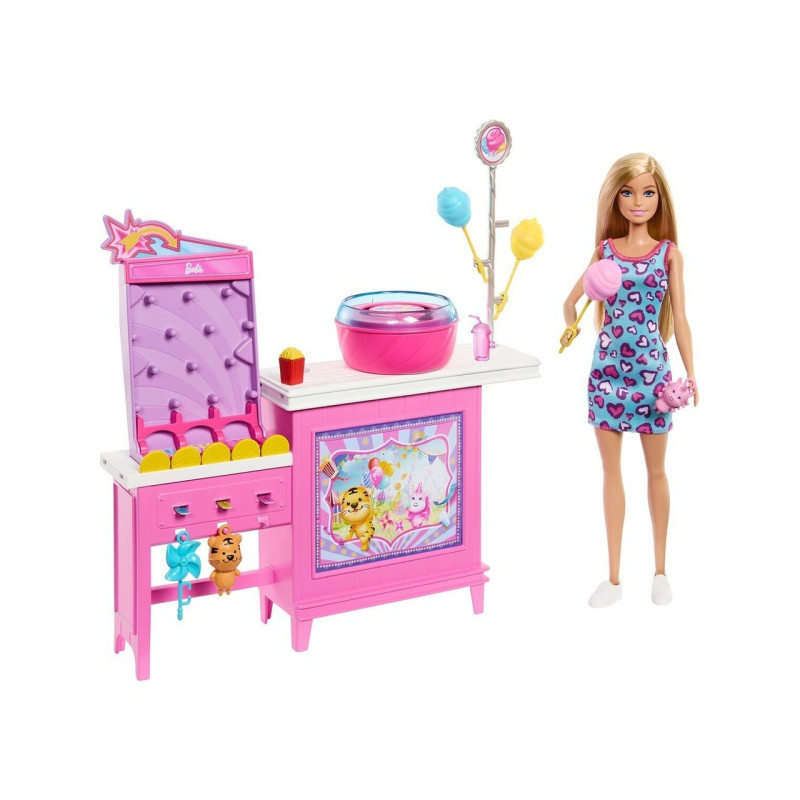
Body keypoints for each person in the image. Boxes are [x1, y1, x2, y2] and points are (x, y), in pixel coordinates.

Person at [560, 153, 697, 607]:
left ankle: (660, 572)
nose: (638, 201)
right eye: (628, 192)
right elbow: (571, 301)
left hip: (653, 378)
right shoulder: (604, 252)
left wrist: (692, 373)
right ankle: (614, 579)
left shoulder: (669, 254)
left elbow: (681, 318)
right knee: (610, 472)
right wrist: (571, 326)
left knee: (656, 472)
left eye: (647, 192)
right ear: (615, 197)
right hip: (607, 375)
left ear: (660, 198)